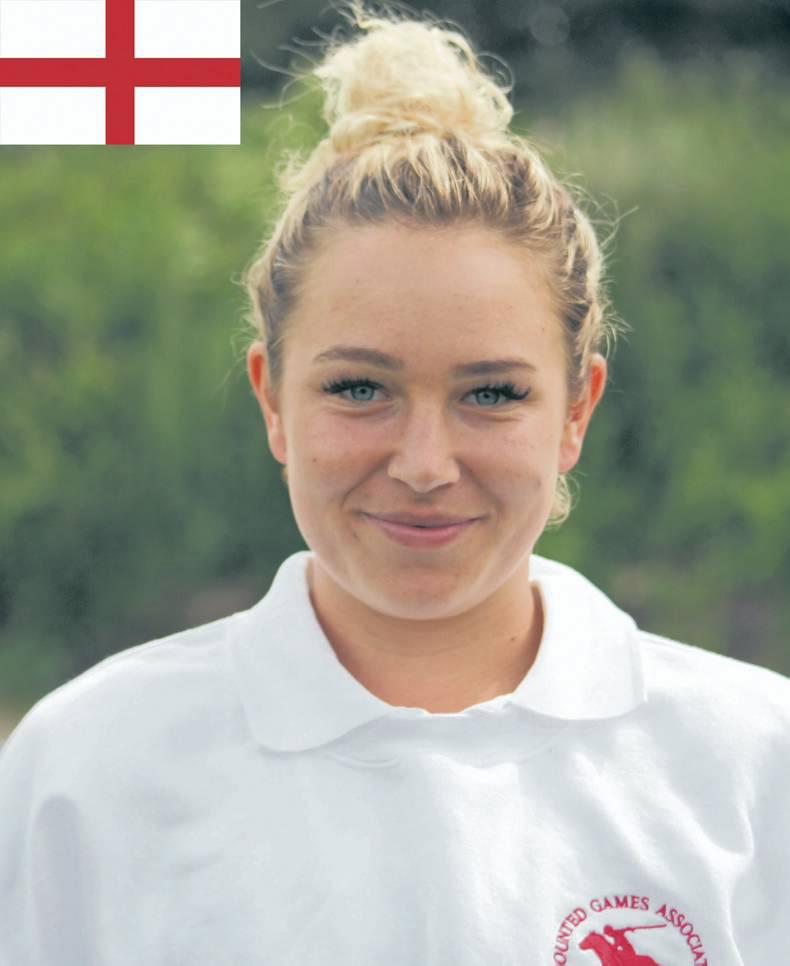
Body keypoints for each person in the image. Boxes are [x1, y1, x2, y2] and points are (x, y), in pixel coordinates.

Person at [1, 3, 788, 964]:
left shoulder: (753, 766)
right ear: (273, 400)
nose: (423, 465)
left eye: (491, 394)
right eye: (359, 389)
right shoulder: (85, 773)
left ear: (576, 410)